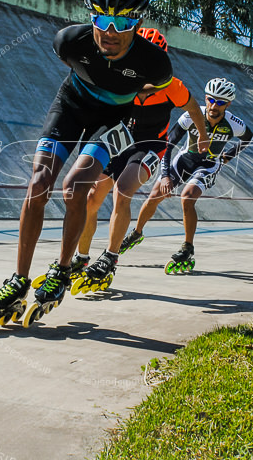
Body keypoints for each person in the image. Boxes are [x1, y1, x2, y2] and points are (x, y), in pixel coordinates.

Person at [0, 0, 174, 332]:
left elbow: (161, 91)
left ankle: (63, 269)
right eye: (101, 19)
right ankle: (19, 279)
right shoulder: (68, 42)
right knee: (38, 184)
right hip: (71, 105)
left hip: (113, 119)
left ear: (138, 22)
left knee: (76, 187)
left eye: (123, 21)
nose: (110, 31)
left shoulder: (155, 64)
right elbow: (81, 70)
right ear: (91, 16)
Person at [72, 28, 209, 291]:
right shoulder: (120, 79)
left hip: (150, 146)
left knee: (122, 191)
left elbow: (193, 109)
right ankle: (82, 258)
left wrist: (202, 137)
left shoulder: (173, 87)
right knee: (91, 197)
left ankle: (110, 257)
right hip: (120, 142)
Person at [120, 77, 253, 274]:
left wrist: (227, 157)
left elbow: (248, 139)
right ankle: (136, 233)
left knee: (187, 197)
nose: (213, 105)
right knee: (155, 195)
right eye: (210, 99)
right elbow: (168, 145)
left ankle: (187, 247)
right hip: (185, 159)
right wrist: (165, 176)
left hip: (208, 164)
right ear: (206, 98)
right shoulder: (191, 115)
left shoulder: (234, 124)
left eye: (220, 102)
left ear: (229, 104)